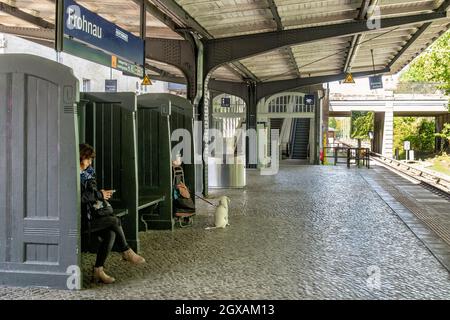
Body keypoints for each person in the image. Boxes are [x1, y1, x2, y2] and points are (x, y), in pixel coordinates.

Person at [79, 143, 145, 284]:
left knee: (111, 233)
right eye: (88, 159)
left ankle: (98, 270)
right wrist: (99, 194)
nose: (90, 162)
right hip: (79, 220)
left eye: (91, 159)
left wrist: (99, 193)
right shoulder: (72, 174)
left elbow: (91, 193)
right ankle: (126, 251)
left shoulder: (88, 173)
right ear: (80, 157)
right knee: (114, 221)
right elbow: (79, 197)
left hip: (92, 215)